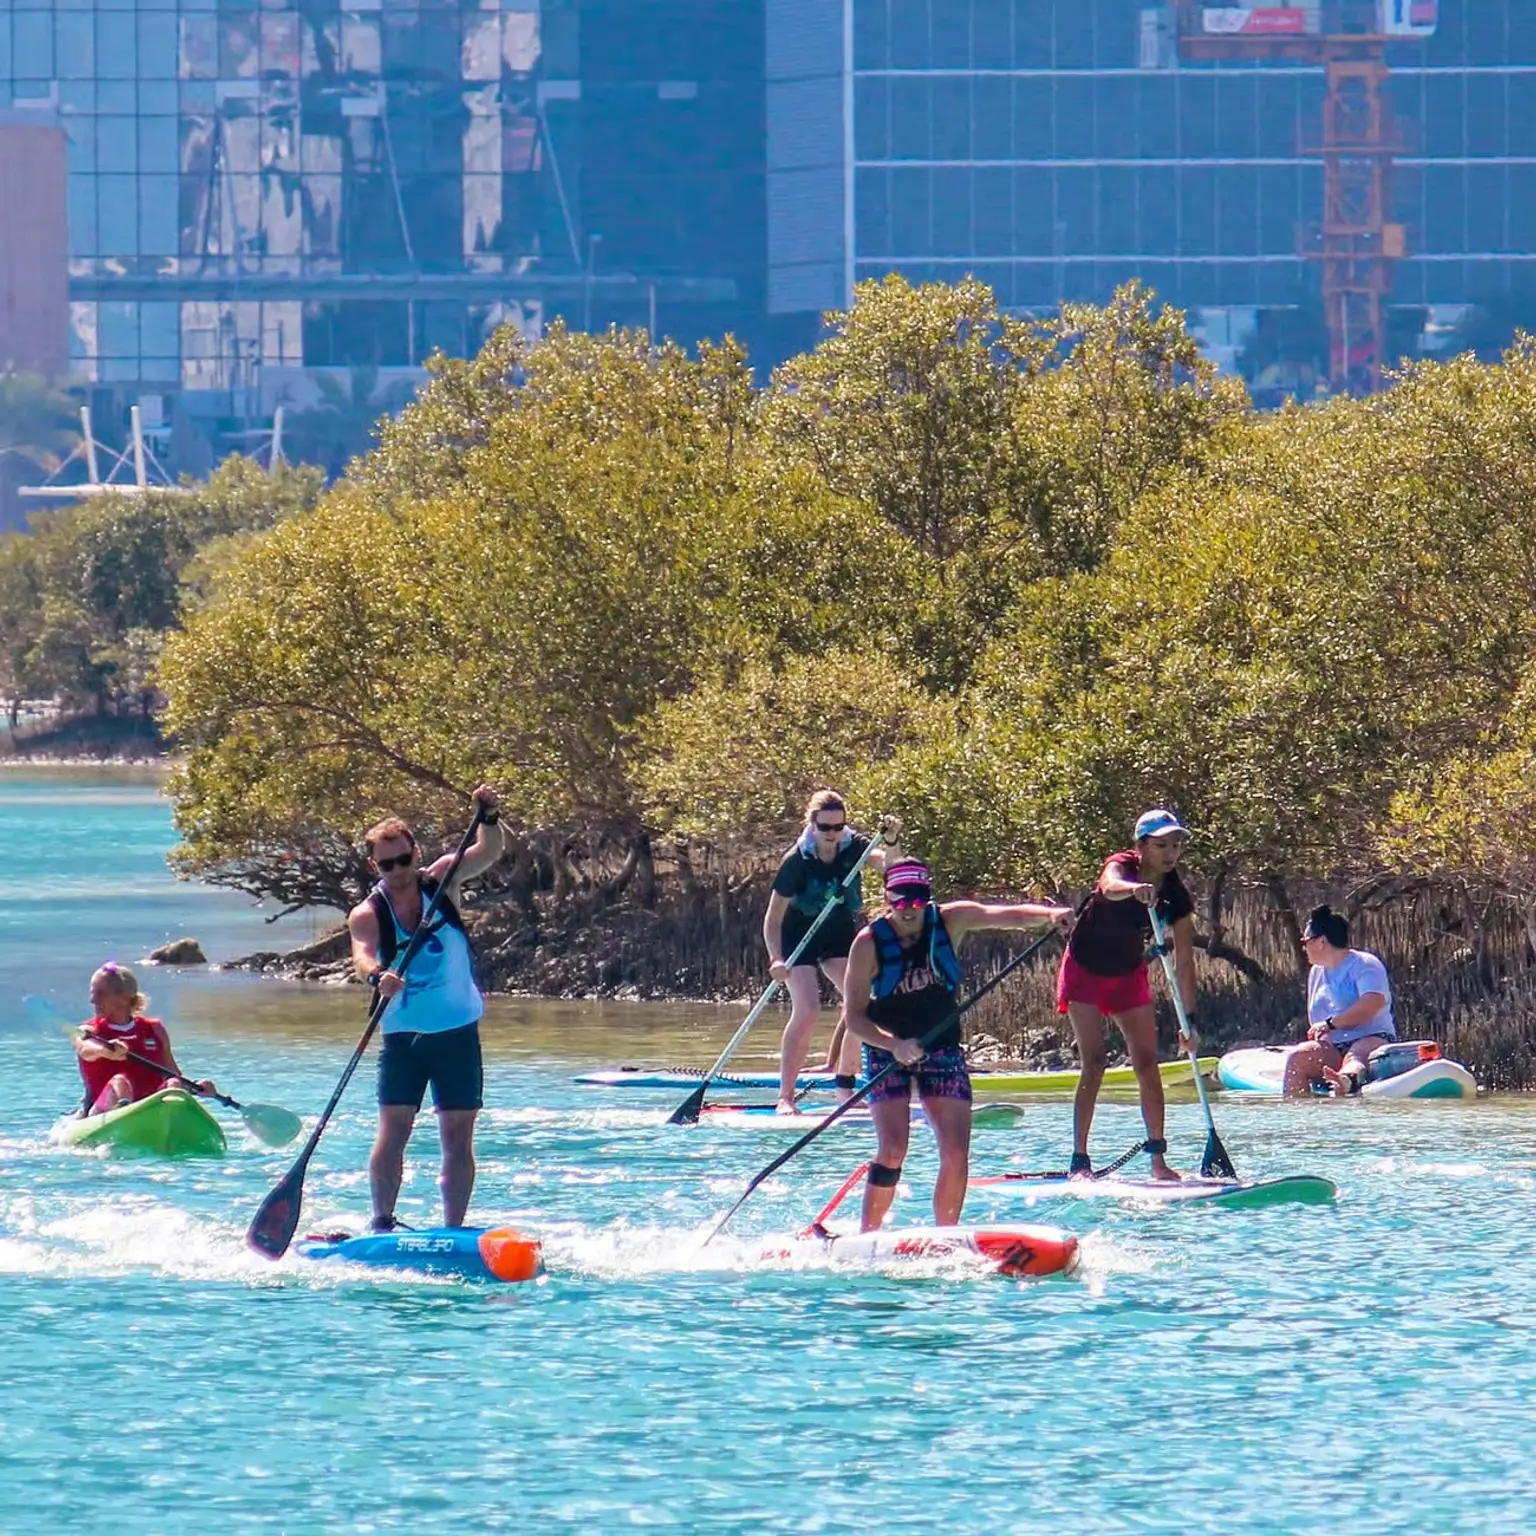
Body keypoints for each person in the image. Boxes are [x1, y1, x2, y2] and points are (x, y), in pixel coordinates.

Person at [841, 859, 1073, 1231]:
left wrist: (1051, 916)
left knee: (955, 1150)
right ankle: (867, 1237)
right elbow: (854, 1018)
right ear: (887, 899)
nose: (910, 910)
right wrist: (894, 1045)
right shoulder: (867, 944)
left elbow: (1005, 915)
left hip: (942, 1048)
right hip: (887, 1053)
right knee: (894, 1148)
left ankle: (945, 1235)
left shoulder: (951, 920)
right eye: (900, 902)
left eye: (917, 901)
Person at [347, 786, 504, 1232]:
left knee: (457, 1135)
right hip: (404, 1039)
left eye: (404, 860)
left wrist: (489, 816)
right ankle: (381, 1221)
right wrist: (379, 976)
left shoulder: (443, 882)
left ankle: (454, 1229)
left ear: (416, 854)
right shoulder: (367, 912)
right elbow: (362, 954)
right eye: (386, 864)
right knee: (394, 1130)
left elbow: (489, 851)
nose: (398, 870)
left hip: (457, 1034)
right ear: (373, 866)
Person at [1059, 808, 1198, 1182]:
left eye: (1176, 846)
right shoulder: (1121, 865)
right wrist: (1135, 890)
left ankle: (1158, 1161)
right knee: (1095, 1060)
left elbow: (1184, 962)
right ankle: (1080, 1159)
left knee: (1147, 1062)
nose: (1170, 854)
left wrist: (1190, 1022)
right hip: (1085, 969)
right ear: (1141, 846)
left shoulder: (1176, 896)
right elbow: (1108, 886)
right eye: (1161, 845)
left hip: (1127, 974)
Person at [763, 791, 901, 1112]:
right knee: (808, 1009)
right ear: (812, 824)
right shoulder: (796, 861)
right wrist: (776, 958)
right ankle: (785, 1097)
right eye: (826, 827)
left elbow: (891, 868)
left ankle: (846, 1088)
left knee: (864, 1004)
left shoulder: (855, 845)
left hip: (838, 935)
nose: (833, 834)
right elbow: (772, 919)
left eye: (839, 827)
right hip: (798, 939)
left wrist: (892, 841)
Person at [1283, 905, 1397, 1097]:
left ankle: (1346, 1079)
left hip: (1371, 1038)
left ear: (1322, 942)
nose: (1303, 947)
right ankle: (1299, 1114)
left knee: (1356, 1055)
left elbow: (1373, 1002)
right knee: (1298, 1058)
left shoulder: (1365, 964)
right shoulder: (1316, 972)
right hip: (1333, 1046)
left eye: (1305, 942)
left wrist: (1330, 1024)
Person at [71, 962, 215, 1113]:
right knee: (120, 1082)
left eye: (100, 993)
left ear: (124, 997)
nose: (92, 1000)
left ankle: (170, 1117)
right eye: (93, 993)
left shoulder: (155, 1030)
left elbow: (173, 1074)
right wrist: (107, 1051)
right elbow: (85, 1049)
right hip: (100, 1111)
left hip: (149, 1109)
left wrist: (197, 1088)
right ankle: (125, 1114)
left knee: (173, 1083)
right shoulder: (88, 1030)